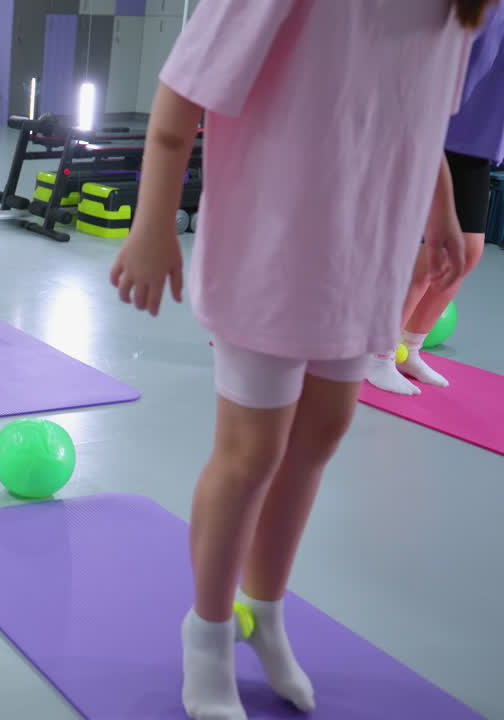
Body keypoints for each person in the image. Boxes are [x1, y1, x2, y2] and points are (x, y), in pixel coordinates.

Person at [108, 1, 484, 717]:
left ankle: (267, 612)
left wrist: (439, 208)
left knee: (320, 437)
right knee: (251, 453)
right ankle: (209, 633)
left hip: (367, 243)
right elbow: (187, 84)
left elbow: (417, 107)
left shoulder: (460, 8)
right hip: (273, 238)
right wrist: (152, 223)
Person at [368, 6, 504, 395]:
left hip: (477, 145)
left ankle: (409, 349)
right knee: (434, 256)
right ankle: (377, 355)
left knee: (470, 253)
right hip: (442, 135)